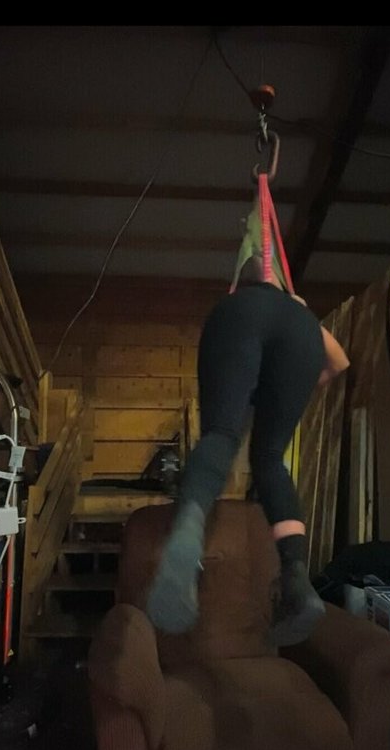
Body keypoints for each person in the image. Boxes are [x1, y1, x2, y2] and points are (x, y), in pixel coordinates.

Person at [146, 254, 350, 645]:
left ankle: (188, 533)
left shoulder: (237, 302)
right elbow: (338, 363)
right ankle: (296, 578)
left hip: (239, 320)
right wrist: (286, 391)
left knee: (221, 435)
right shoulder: (300, 312)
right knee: (270, 459)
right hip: (303, 336)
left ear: (241, 282)